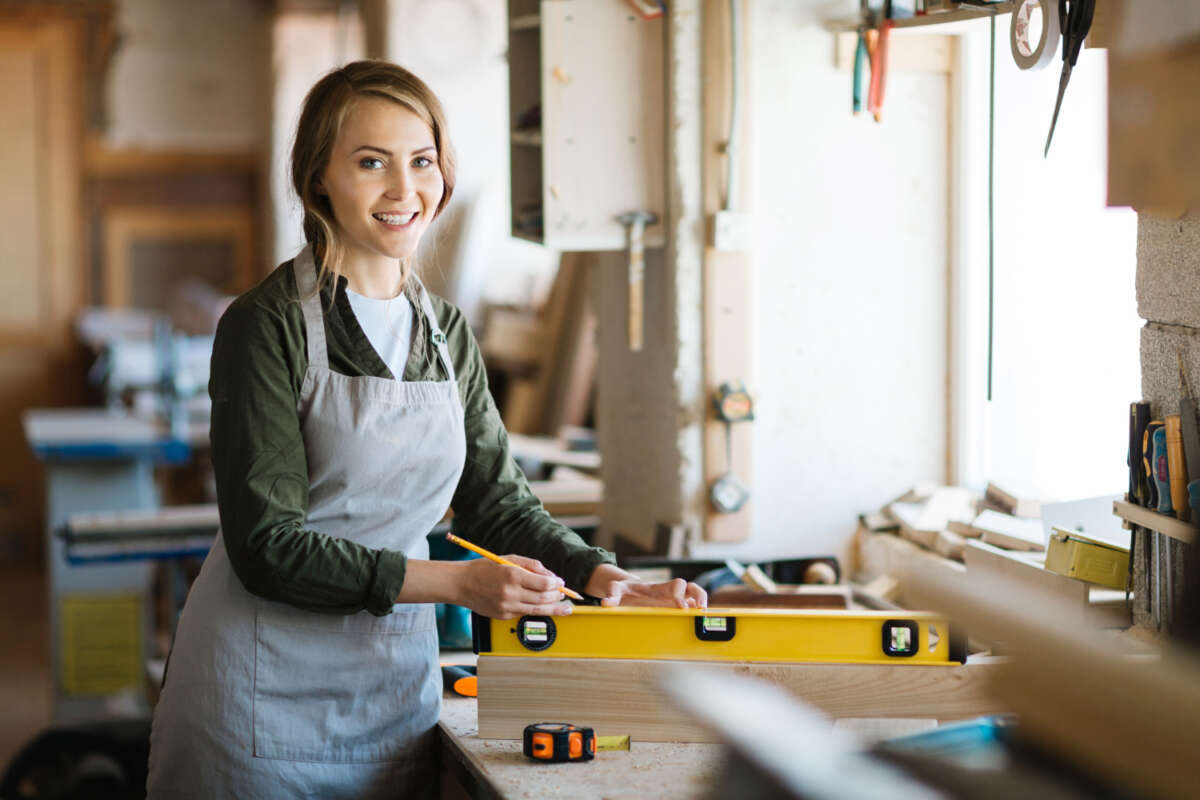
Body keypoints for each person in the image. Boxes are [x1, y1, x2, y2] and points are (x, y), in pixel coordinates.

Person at [146, 60, 706, 800]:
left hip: (388, 695)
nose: (404, 190)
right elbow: (267, 548)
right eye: (371, 162)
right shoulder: (265, 325)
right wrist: (460, 582)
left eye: (423, 161)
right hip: (257, 692)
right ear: (319, 178)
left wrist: (603, 580)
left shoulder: (443, 332)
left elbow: (497, 503)